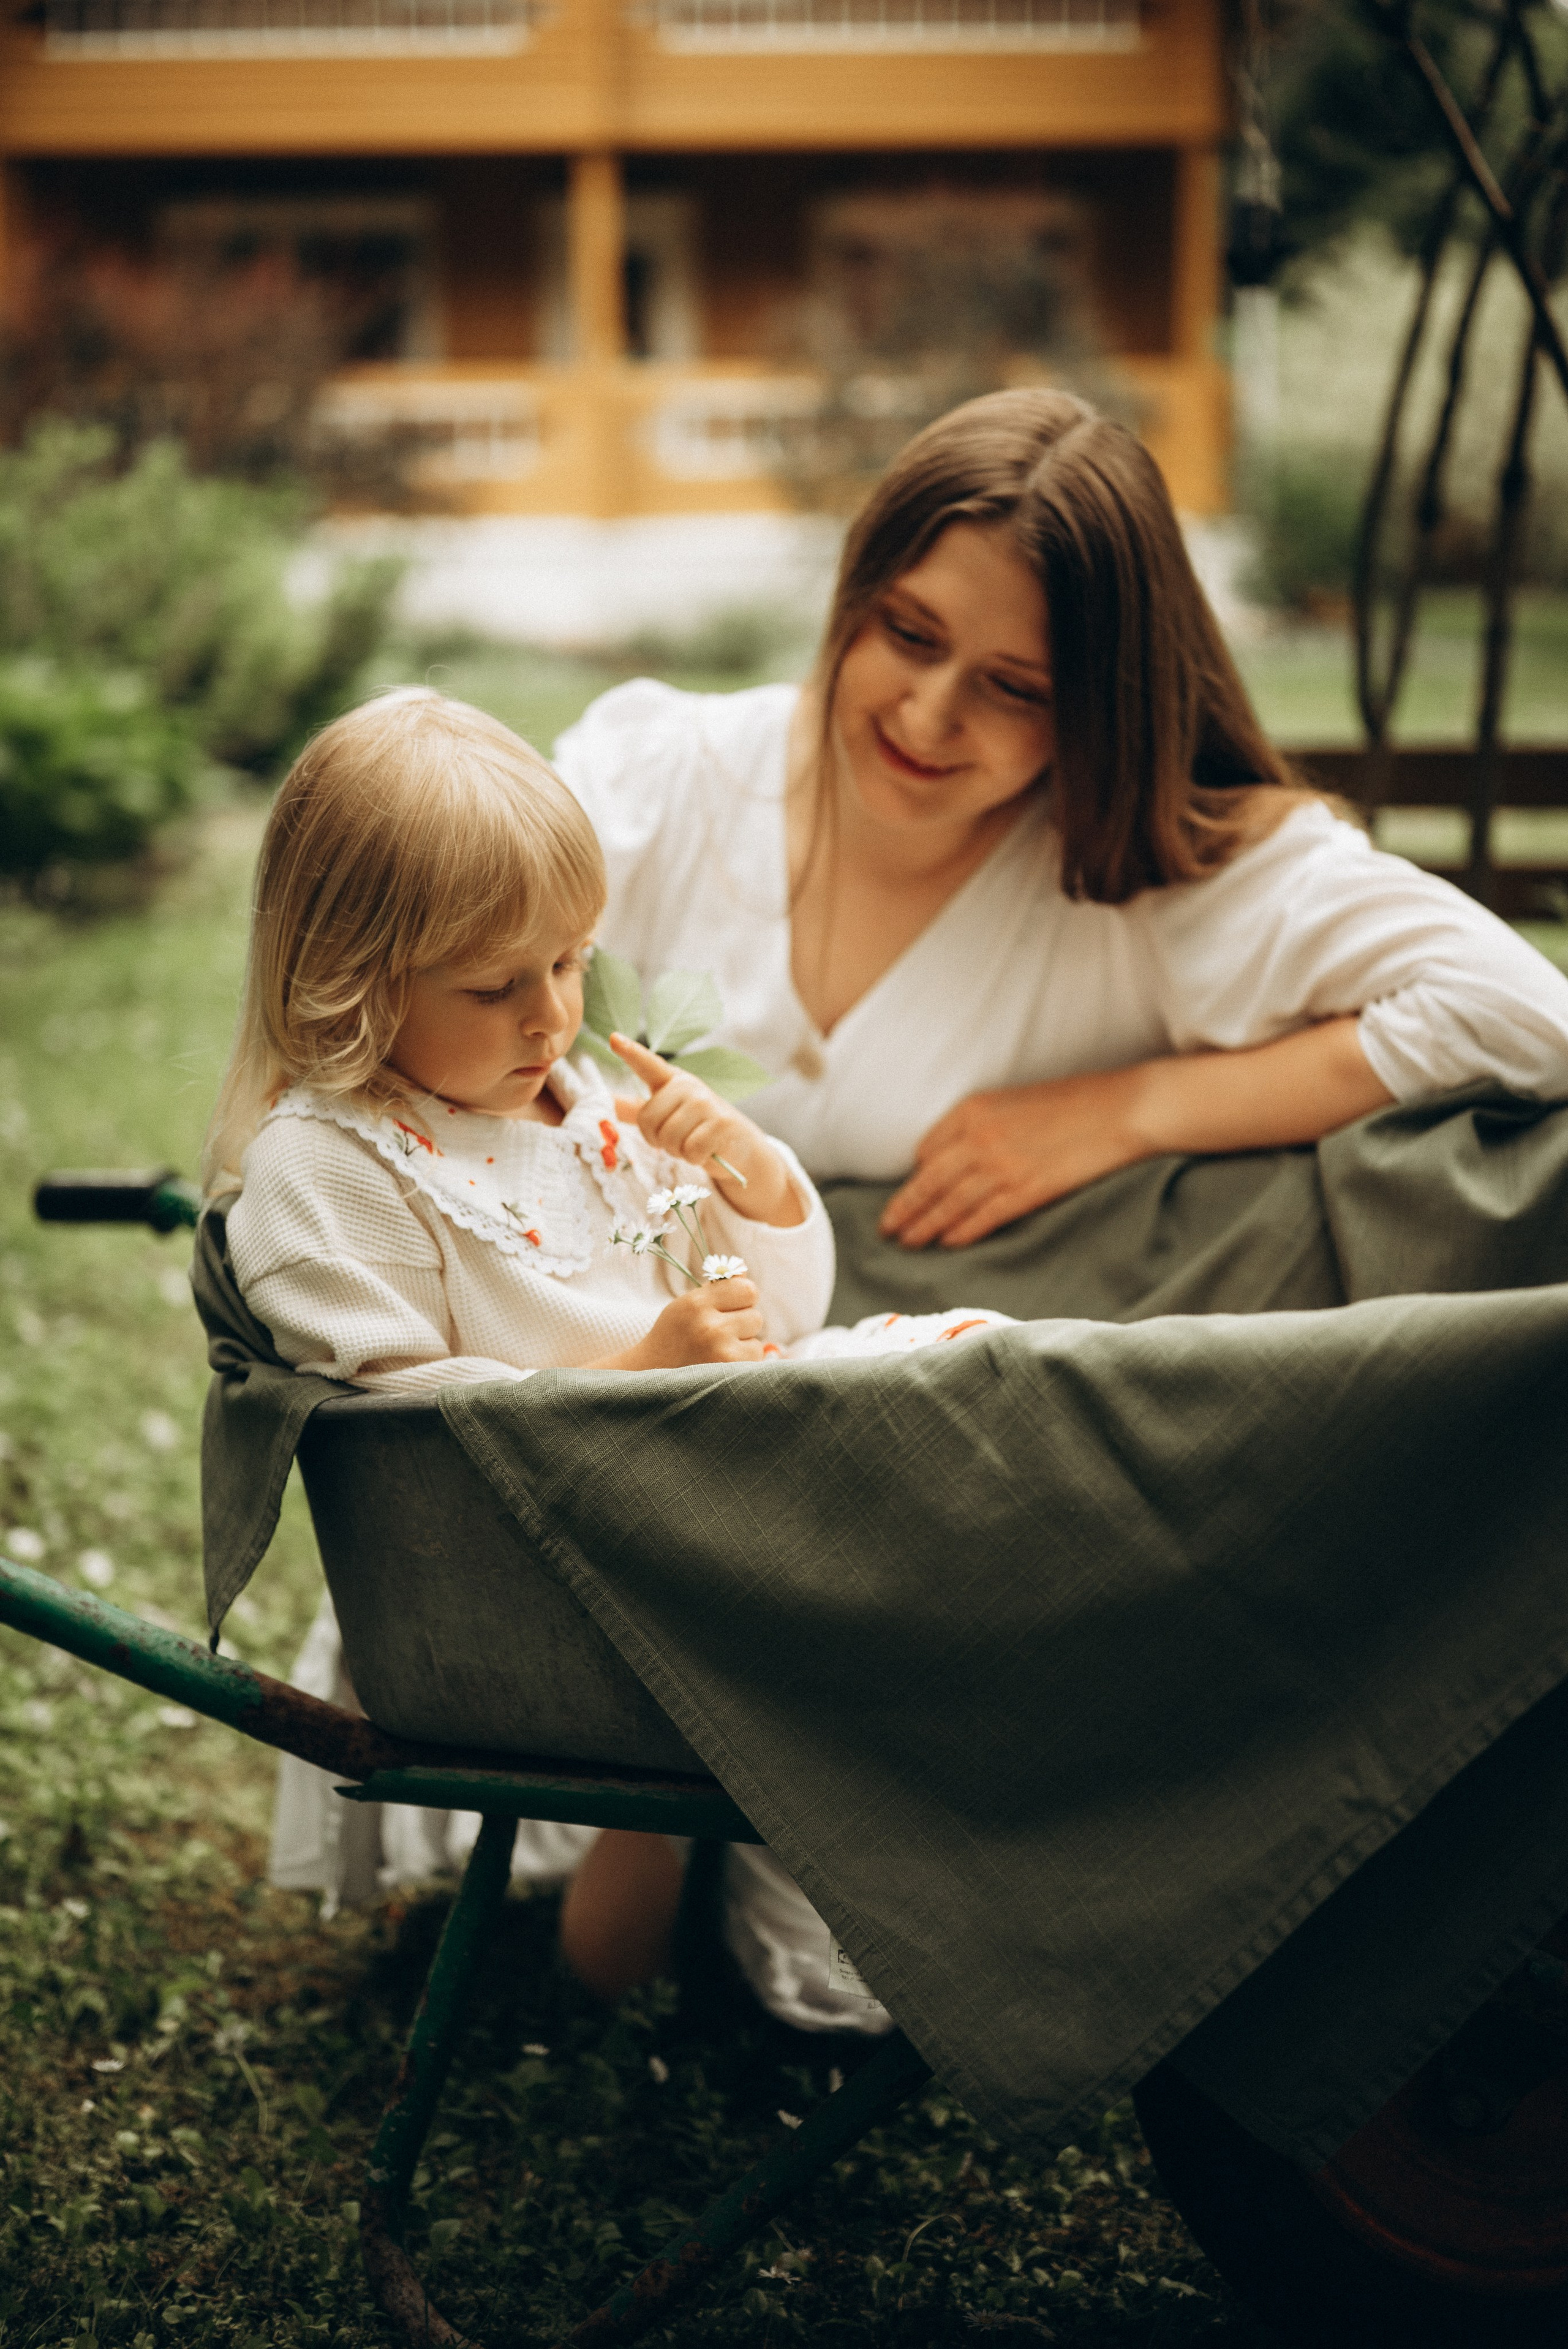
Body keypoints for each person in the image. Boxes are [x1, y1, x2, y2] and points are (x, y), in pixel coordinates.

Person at [203, 685, 1005, 2017]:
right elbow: (407, 1441)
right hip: (539, 1571)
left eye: (571, 962)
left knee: (962, 1368)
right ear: (347, 979)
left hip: (693, 1493)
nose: (551, 1017)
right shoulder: (330, 1169)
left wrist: (749, 1183)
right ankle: (734, 1935)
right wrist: (637, 1379)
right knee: (884, 1533)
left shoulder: (577, 1106)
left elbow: (772, 1309)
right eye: (495, 985)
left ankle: (824, 1877)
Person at [554, 386, 1568, 1255]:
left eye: (1015, 688)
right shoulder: (655, 778)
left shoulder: (1153, 876)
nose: (929, 715)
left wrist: (1134, 1110)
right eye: (911, 635)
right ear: (857, 591)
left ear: (1097, 708)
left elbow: (1525, 1013)